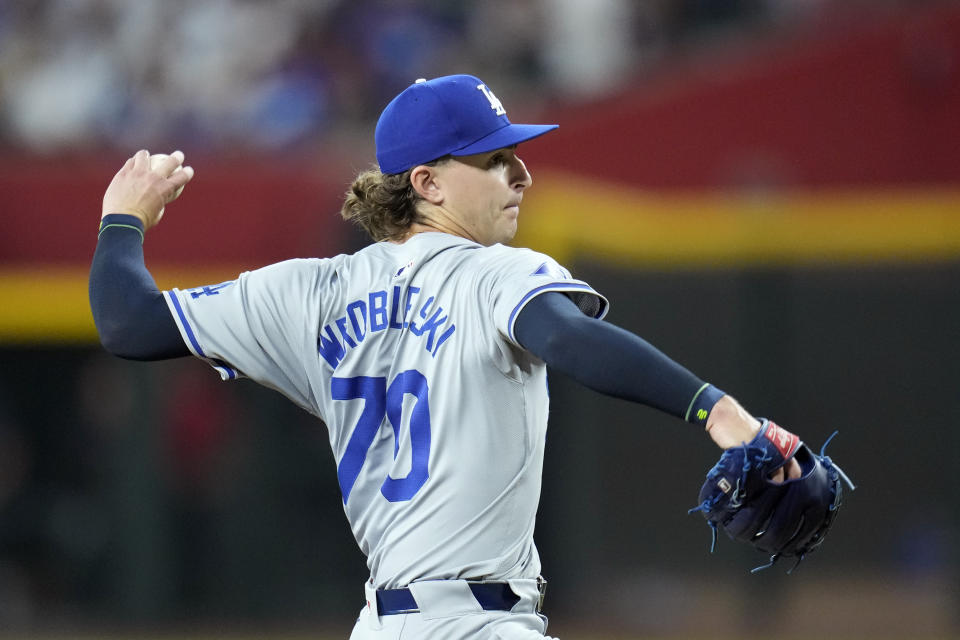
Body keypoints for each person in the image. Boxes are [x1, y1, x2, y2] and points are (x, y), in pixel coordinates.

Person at [90, 74, 798, 639]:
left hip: (381, 626)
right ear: (427, 183)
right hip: (484, 624)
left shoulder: (306, 293)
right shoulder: (494, 274)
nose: (520, 174)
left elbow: (126, 324)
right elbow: (570, 339)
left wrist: (122, 219)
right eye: (495, 160)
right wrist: (715, 409)